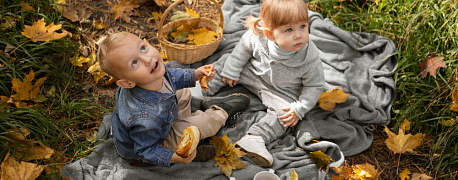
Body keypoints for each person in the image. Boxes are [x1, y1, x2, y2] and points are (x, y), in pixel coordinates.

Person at [97, 32, 250, 167]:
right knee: (204, 124)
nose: (147, 59)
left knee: (182, 90)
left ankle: (184, 129)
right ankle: (218, 113)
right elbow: (145, 150)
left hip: (162, 117)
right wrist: (174, 157)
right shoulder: (144, 119)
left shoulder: (151, 75)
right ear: (127, 83)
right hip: (153, 144)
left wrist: (195, 74)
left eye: (143, 48)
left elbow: (171, 77)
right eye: (134, 63)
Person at [203, 0, 324, 167]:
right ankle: (202, 89)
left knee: (285, 115)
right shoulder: (258, 36)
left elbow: (314, 86)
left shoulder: (309, 58)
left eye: (303, 26)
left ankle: (255, 138)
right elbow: (243, 49)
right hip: (253, 72)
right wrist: (232, 70)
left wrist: (299, 108)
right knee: (227, 62)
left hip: (282, 91)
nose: (298, 35)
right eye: (289, 29)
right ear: (270, 34)